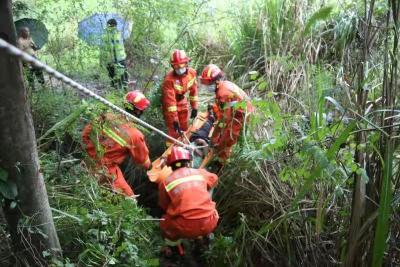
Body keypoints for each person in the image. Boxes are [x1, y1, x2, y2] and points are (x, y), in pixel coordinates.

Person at [82, 91, 151, 197]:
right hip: (106, 171)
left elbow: (85, 134)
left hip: (87, 161)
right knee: (130, 199)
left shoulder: (105, 117)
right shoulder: (135, 135)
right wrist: (150, 167)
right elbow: (143, 161)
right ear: (138, 112)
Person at [158, 146, 219, 256]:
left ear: (170, 166)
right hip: (210, 222)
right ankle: (205, 237)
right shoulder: (200, 173)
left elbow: (164, 206)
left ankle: (174, 248)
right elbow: (214, 179)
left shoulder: (165, 182)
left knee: (165, 222)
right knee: (210, 191)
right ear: (188, 162)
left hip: (185, 228)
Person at [199, 64, 254, 163]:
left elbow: (224, 120)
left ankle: (221, 160)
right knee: (221, 133)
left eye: (208, 83)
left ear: (216, 81)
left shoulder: (223, 93)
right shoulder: (223, 86)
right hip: (239, 109)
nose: (206, 86)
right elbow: (223, 108)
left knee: (227, 138)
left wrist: (215, 140)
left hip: (241, 115)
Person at [161, 49, 198, 145]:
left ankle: (184, 146)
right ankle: (169, 151)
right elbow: (170, 103)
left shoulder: (192, 73)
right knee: (174, 131)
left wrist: (195, 107)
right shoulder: (169, 80)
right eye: (176, 66)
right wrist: (174, 120)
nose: (179, 68)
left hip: (182, 101)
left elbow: (193, 91)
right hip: (170, 107)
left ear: (186, 63)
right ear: (172, 66)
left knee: (184, 126)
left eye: (181, 65)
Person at [99, 18, 128, 90]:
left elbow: (102, 49)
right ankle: (123, 88)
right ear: (115, 25)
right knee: (123, 75)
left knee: (112, 75)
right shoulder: (119, 33)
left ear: (108, 25)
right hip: (120, 58)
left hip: (109, 60)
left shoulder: (103, 35)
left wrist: (101, 61)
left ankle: (114, 88)